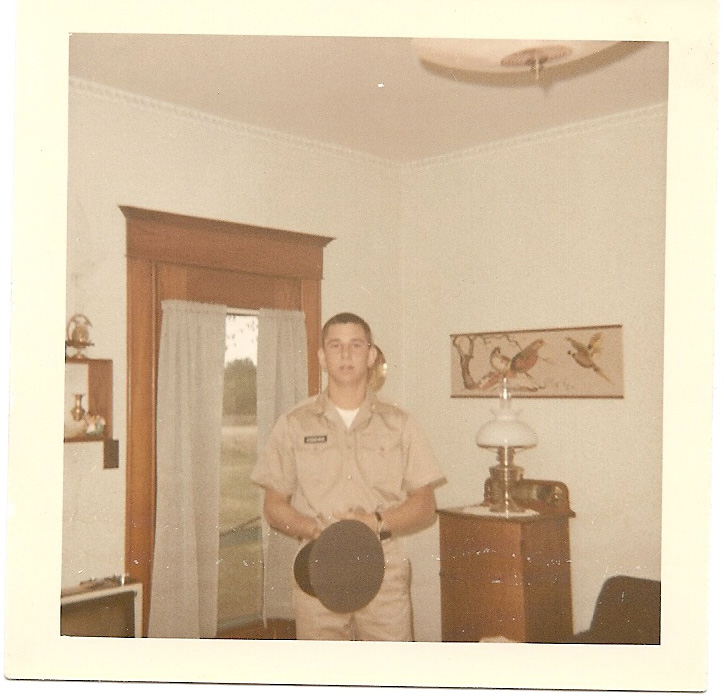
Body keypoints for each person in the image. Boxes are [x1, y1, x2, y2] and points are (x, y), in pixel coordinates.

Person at [251, 312, 445, 641]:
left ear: (371, 356)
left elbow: (425, 505)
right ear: (322, 357)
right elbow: (273, 506)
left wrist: (376, 522)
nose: (345, 354)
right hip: (318, 563)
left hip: (383, 566)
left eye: (356, 345)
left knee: (390, 669)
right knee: (323, 669)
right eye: (335, 345)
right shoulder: (294, 423)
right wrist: (313, 528)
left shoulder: (400, 423)